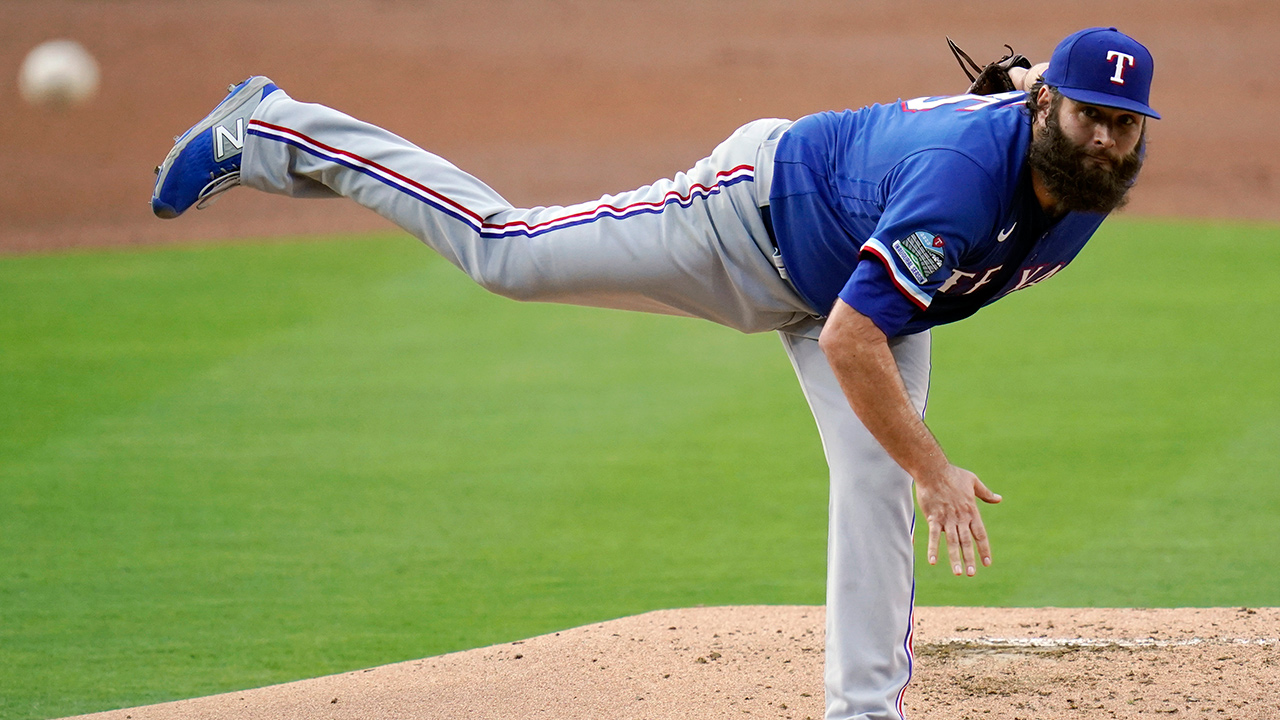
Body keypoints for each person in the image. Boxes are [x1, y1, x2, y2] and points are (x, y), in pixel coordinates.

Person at [150, 26, 1158, 720]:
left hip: (857, 279)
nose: (1106, 139)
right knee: (509, 255)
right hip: (748, 220)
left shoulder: (1078, 170)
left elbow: (1026, 99)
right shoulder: (958, 183)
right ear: (1047, 115)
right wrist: (938, 468)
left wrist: (1034, 79)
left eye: (1123, 124)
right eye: (1087, 118)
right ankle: (280, 130)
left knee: (873, 478)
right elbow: (854, 338)